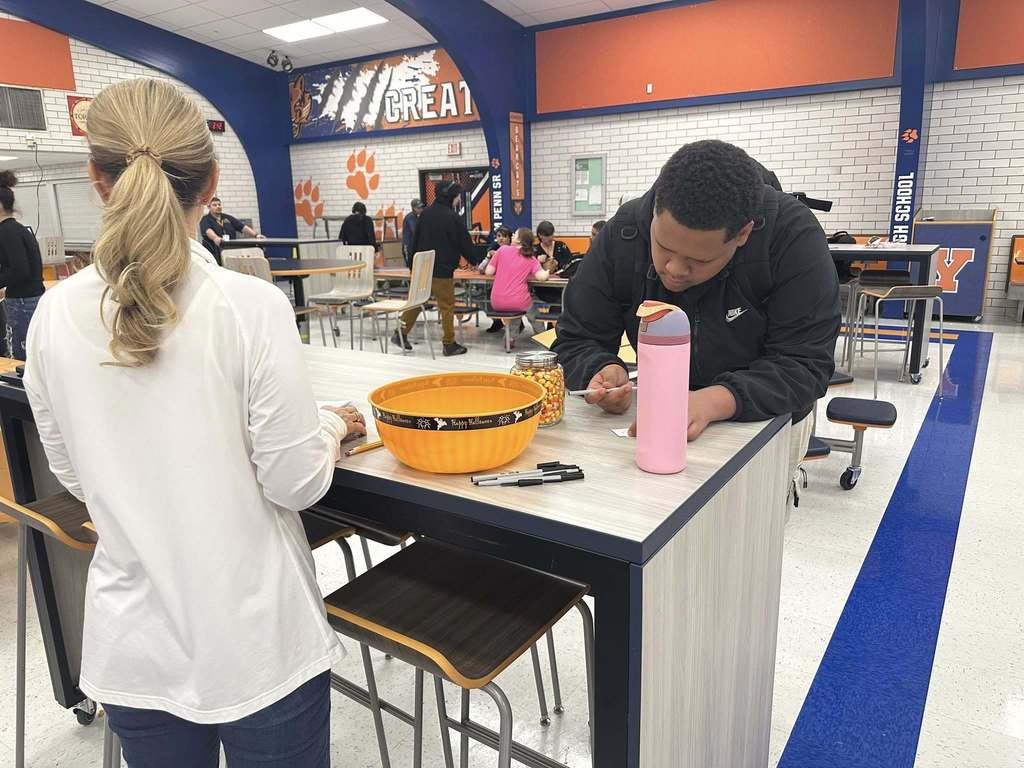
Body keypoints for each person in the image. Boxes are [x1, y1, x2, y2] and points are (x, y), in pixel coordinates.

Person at [23, 78, 366, 766]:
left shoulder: (53, 315)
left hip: (135, 648)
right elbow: (295, 483)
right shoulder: (250, 306)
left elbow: (75, 475)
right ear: (210, 184)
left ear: (97, 179)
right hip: (259, 647)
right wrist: (331, 427)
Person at [553, 139, 840, 489]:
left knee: (751, 518)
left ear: (743, 234)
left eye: (699, 260)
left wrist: (712, 401)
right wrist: (599, 369)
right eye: (663, 246)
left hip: (762, 426)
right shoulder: (624, 233)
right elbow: (577, 338)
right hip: (657, 424)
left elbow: (805, 364)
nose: (674, 269)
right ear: (655, 211)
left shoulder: (791, 236)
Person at [397, 181, 478, 356]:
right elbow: (463, 242)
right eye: (457, 196)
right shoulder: (452, 217)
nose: (458, 200)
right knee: (446, 306)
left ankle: (400, 333)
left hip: (422, 267)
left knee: (417, 301)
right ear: (451, 197)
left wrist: (412, 265)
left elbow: (414, 240)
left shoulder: (425, 214)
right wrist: (476, 260)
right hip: (442, 268)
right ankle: (449, 343)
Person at [0, 171, 45, 360]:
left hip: (23, 301)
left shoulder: (7, 231)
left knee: (23, 356)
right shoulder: (16, 229)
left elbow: (20, 270)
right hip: (29, 297)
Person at [485, 227, 548, 348]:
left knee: (515, 315)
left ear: (519, 240)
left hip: (496, 301)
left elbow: (489, 272)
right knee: (534, 314)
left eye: (515, 234)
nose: (512, 235)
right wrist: (547, 272)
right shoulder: (531, 258)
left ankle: (509, 339)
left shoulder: (502, 250)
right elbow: (541, 277)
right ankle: (544, 339)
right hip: (518, 301)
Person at [199, 196, 262, 265]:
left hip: (231, 250)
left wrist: (256, 235)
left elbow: (243, 227)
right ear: (209, 207)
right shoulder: (205, 219)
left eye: (219, 204)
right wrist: (215, 238)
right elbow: (208, 230)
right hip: (215, 252)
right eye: (215, 205)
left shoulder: (227, 217)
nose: (218, 206)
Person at [482, 226, 514, 333]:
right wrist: (488, 256)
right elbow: (482, 269)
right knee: (483, 295)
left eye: (504, 236)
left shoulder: (514, 249)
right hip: (497, 282)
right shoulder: (494, 248)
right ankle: (497, 321)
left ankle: (516, 322)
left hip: (511, 284)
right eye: (499, 236)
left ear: (510, 238)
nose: (501, 239)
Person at [402, 197, 424, 266]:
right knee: (411, 265)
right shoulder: (409, 218)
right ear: (414, 208)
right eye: (418, 208)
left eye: (421, 207)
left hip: (417, 246)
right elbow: (411, 233)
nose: (421, 209)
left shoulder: (421, 216)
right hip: (410, 246)